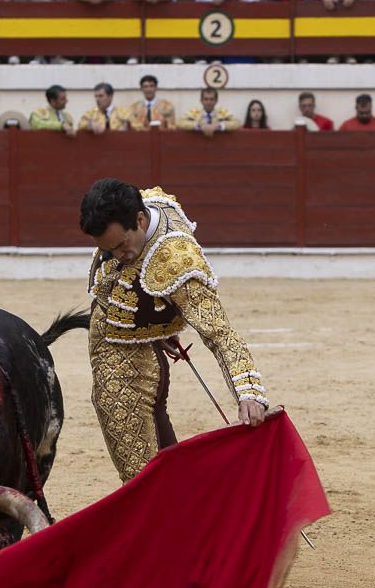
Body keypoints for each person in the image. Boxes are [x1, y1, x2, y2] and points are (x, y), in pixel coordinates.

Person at [80, 179, 269, 482]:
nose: (117, 255)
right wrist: (160, 322)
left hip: (130, 366)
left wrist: (248, 392)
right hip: (132, 348)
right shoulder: (145, 205)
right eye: (108, 249)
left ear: (140, 221)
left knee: (141, 478)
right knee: (161, 465)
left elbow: (219, 332)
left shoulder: (175, 259)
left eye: (120, 245)